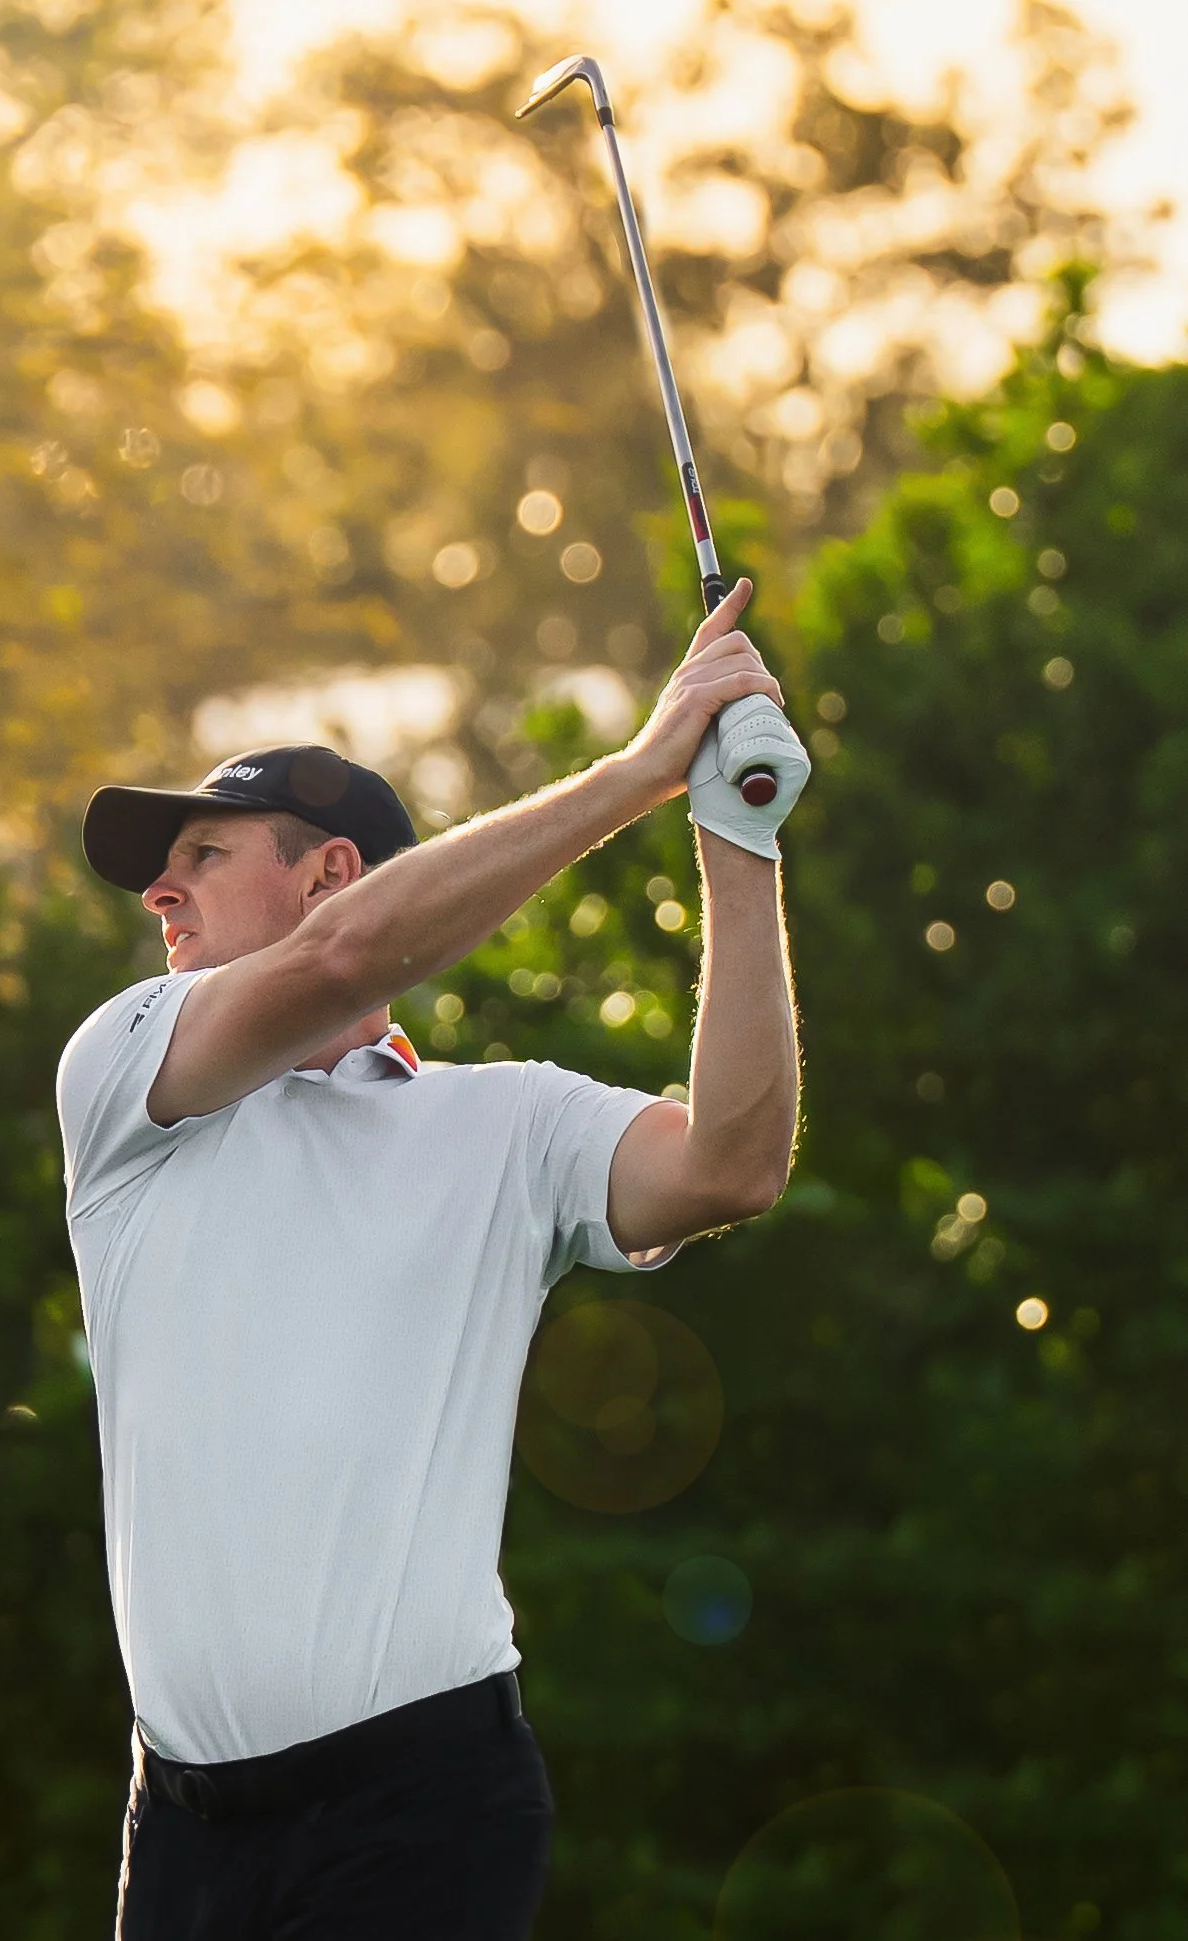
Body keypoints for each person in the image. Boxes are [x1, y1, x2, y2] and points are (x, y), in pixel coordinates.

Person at [56, 579, 807, 1939]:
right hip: (179, 1829)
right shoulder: (124, 1075)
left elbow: (731, 1164)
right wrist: (641, 770)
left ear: (329, 870)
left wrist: (733, 835)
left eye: (205, 855)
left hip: (421, 1801)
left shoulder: (510, 1124)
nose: (160, 890)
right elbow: (340, 966)